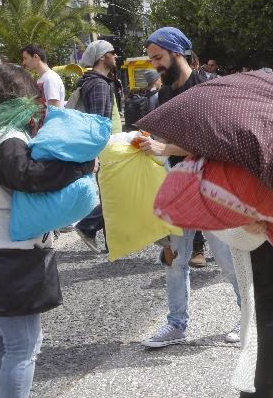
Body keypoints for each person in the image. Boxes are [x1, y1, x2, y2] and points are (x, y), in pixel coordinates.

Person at [0, 64, 95, 398]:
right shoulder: (7, 137)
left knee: (1, 344)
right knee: (23, 346)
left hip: (0, 251)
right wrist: (80, 166)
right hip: (10, 254)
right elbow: (27, 175)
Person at [139, 27, 242, 346]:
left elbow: (214, 142)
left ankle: (251, 317)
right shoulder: (166, 92)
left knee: (226, 258)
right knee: (173, 259)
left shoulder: (207, 86)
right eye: (151, 58)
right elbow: (173, 138)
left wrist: (164, 148)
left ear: (176, 52)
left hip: (210, 186)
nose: (154, 64)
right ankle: (176, 325)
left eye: (158, 57)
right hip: (179, 187)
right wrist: (150, 143)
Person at [74, 40, 119, 253]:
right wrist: (96, 154)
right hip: (105, 148)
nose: (116, 56)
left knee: (113, 192)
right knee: (117, 192)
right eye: (112, 53)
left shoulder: (93, 81)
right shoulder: (99, 84)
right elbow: (98, 123)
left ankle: (112, 241)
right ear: (102, 57)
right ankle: (88, 225)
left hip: (105, 147)